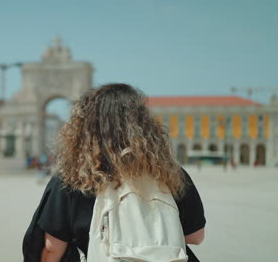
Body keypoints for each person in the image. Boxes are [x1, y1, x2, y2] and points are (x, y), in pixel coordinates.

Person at [23, 84, 206, 262]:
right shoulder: (171, 173)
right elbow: (196, 236)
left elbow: (52, 247)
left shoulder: (71, 179)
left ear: (84, 129)